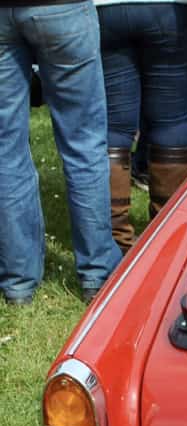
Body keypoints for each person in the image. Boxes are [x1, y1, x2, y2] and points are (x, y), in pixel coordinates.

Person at [0, 1, 122, 305]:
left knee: (5, 150)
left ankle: (18, 281)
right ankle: (97, 272)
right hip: (63, 8)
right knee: (84, 143)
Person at [96, 0, 187, 255]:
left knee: (115, 128)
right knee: (171, 121)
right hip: (173, 9)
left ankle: (116, 239)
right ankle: (170, 233)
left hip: (106, 8)